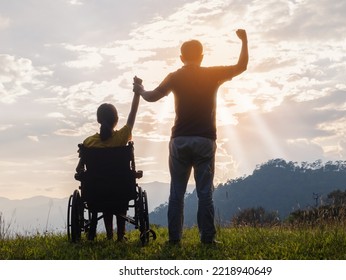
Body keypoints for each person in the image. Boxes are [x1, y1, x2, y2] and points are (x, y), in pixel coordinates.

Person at [133, 29, 248, 244]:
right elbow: (241, 67)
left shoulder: (175, 76)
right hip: (205, 140)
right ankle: (208, 238)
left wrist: (140, 89)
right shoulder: (212, 74)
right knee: (205, 194)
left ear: (181, 58)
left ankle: (174, 239)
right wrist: (244, 40)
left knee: (176, 193)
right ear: (202, 57)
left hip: (180, 140)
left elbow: (151, 97)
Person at [77, 77, 141, 241]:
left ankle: (109, 235)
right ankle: (121, 235)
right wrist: (137, 93)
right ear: (116, 120)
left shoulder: (88, 143)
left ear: (98, 120)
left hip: (95, 192)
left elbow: (79, 169)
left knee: (103, 192)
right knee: (117, 194)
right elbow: (132, 114)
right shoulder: (122, 138)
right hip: (121, 190)